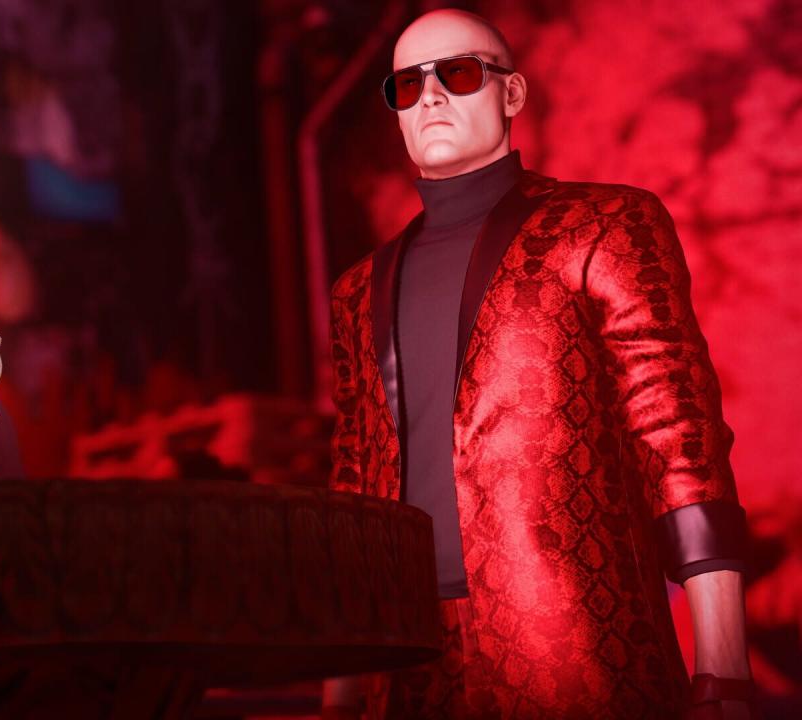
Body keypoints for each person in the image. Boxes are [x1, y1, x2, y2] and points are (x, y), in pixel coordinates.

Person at [322, 9, 755, 719]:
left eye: (457, 73)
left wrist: (724, 669)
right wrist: (340, 692)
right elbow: (353, 486)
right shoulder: (356, 291)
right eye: (407, 85)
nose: (431, 96)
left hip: (575, 642)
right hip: (402, 659)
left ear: (512, 92)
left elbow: (677, 432)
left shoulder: (603, 226)